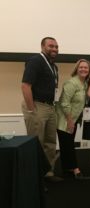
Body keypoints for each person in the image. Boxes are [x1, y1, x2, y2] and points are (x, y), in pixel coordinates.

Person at [21, 37, 63, 182]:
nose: (55, 49)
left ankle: (48, 173)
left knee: (50, 142)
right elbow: (26, 86)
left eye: (57, 46)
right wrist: (32, 110)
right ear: (42, 46)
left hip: (50, 107)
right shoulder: (36, 61)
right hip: (37, 105)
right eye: (51, 46)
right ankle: (34, 179)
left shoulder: (54, 66)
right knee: (36, 143)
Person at [56, 59, 90, 178]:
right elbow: (64, 103)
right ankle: (75, 169)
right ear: (76, 68)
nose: (83, 69)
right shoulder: (71, 83)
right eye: (81, 67)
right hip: (64, 119)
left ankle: (67, 168)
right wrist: (70, 121)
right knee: (69, 145)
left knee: (66, 144)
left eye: (86, 67)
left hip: (73, 118)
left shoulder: (84, 83)